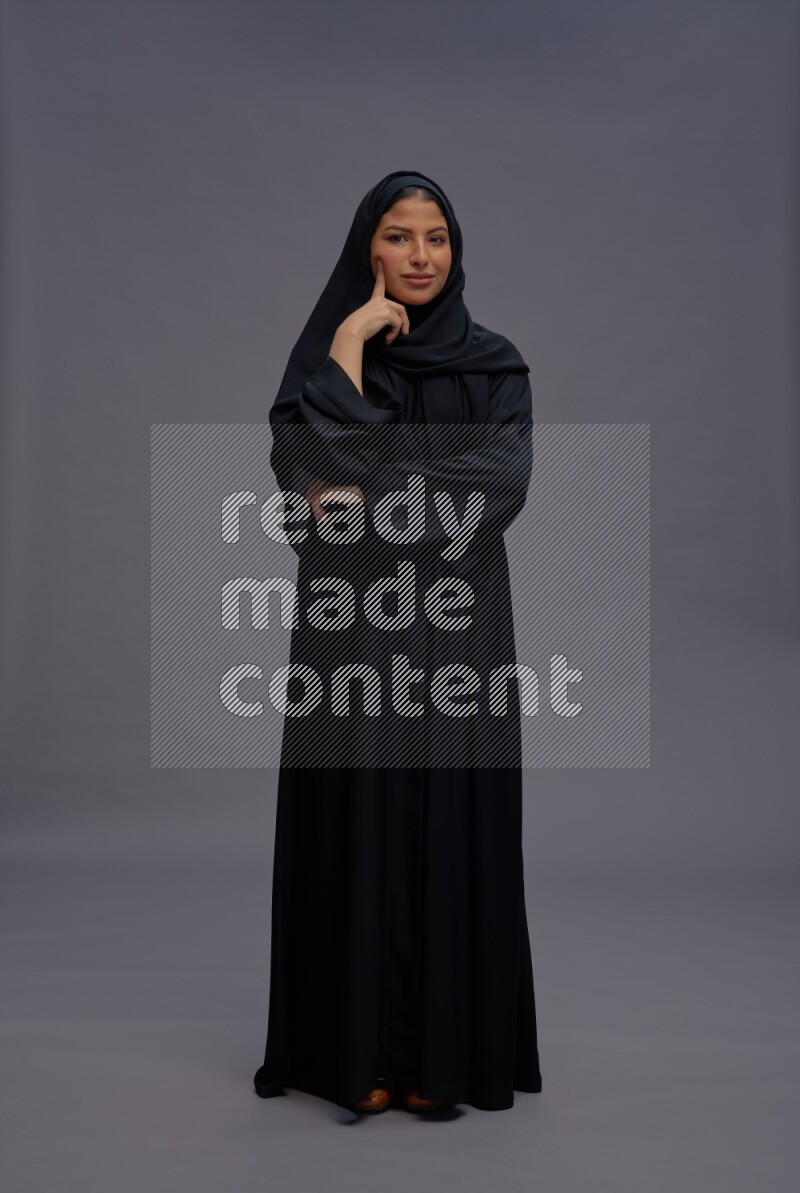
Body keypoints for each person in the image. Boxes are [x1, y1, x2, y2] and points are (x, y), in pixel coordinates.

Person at [253, 170, 543, 1114]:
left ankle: (438, 1061)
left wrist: (361, 504)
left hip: (459, 637)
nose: (420, 256)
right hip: (352, 639)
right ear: (366, 251)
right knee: (358, 824)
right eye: (398, 237)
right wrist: (344, 345)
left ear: (455, 252)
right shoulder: (321, 366)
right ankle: (359, 1057)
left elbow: (493, 492)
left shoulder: (497, 367)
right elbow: (305, 483)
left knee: (451, 827)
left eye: (436, 238)